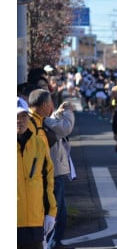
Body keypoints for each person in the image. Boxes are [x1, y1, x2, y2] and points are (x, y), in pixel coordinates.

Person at [18, 96, 57, 249]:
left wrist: (51, 213)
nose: (18, 120)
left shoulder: (38, 144)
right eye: (14, 116)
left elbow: (48, 180)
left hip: (35, 222)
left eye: (22, 116)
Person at [44, 100, 76, 249]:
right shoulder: (42, 121)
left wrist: (59, 111)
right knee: (57, 207)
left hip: (55, 169)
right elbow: (65, 128)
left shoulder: (44, 120)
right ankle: (53, 241)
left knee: (58, 207)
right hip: (54, 170)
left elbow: (55, 121)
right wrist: (68, 111)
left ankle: (54, 240)